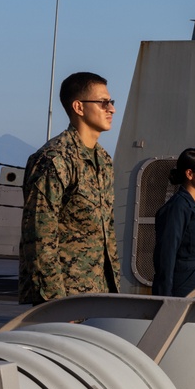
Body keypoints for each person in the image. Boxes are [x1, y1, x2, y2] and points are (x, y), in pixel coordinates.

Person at [19, 72, 120, 305]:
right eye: (103, 102)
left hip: (100, 292)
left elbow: (107, 232)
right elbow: (38, 236)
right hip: (66, 298)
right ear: (79, 107)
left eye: (111, 102)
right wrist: (55, 302)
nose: (111, 109)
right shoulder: (54, 160)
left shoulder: (103, 160)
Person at [152, 148, 195, 296]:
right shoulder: (178, 207)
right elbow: (166, 254)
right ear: (189, 174)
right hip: (182, 288)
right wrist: (164, 297)